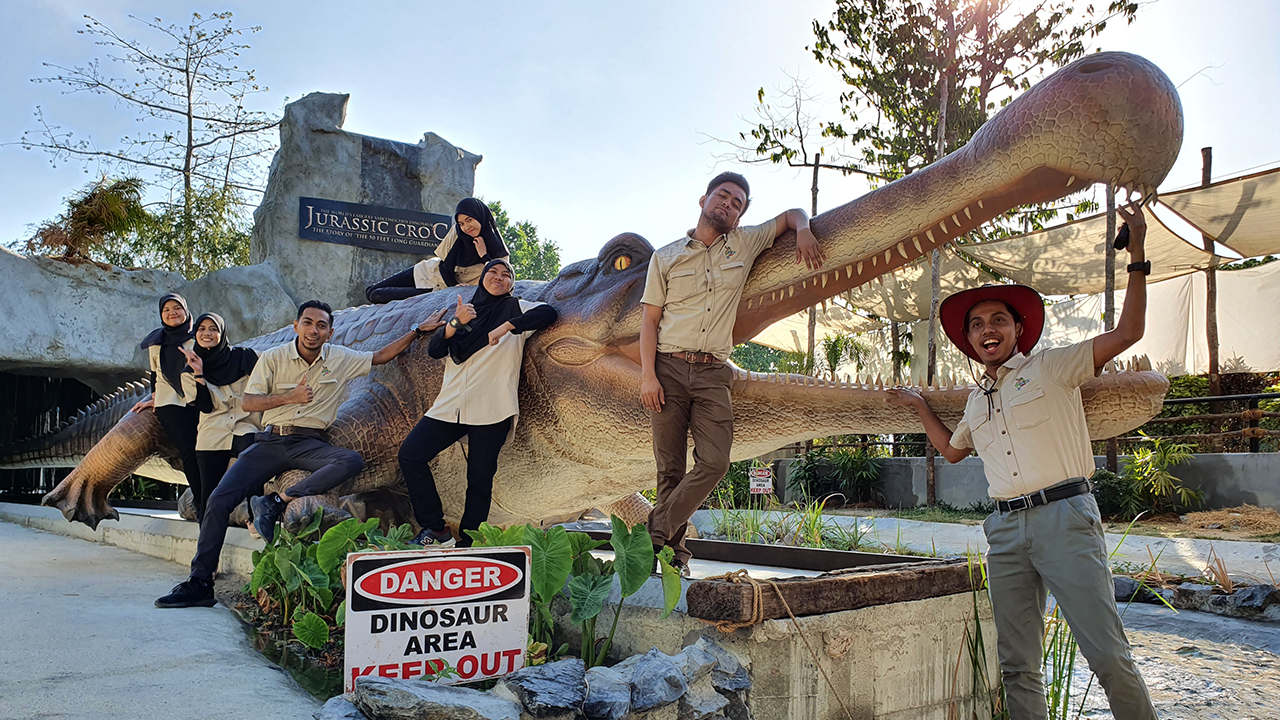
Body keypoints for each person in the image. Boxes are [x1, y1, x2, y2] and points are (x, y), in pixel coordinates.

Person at [885, 202, 1157, 720]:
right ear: (969, 340)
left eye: (998, 320)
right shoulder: (976, 399)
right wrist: (920, 407)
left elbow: (1128, 333)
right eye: (977, 325)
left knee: (1107, 655)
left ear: (1017, 329)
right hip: (1005, 530)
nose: (988, 329)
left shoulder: (1053, 367)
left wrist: (1137, 251)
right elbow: (953, 451)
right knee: (1017, 665)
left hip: (1065, 518)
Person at [155, 299, 447, 608]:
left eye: (321, 325)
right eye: (307, 323)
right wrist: (289, 397)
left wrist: (417, 330)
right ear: (297, 326)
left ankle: (277, 501)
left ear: (329, 332)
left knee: (350, 460)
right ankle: (200, 582)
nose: (313, 330)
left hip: (310, 442)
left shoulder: (339, 357)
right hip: (270, 442)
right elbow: (250, 402)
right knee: (217, 500)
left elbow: (381, 356)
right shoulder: (273, 357)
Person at [639, 172, 826, 575]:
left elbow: (792, 214)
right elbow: (649, 321)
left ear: (740, 216)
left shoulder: (746, 241)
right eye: (723, 196)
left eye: (737, 203)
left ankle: (652, 534)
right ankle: (673, 558)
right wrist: (648, 376)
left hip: (713, 373)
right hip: (668, 368)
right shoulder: (665, 256)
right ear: (704, 199)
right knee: (669, 469)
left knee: (715, 462)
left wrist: (804, 230)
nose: (728, 204)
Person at [398, 258, 557, 547]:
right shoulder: (465, 312)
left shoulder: (517, 308)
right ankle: (436, 529)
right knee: (411, 454)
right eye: (492, 272)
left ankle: (468, 543)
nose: (498, 277)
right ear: (482, 277)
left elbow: (548, 312)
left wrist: (506, 326)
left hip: (492, 407)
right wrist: (456, 322)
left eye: (506, 274)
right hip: (451, 404)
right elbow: (436, 350)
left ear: (511, 283)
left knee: (479, 479)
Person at [178, 313, 261, 523]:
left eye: (213, 329)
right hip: (213, 432)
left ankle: (256, 520)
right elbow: (205, 407)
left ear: (222, 333)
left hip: (245, 425)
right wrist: (199, 373)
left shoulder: (245, 357)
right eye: (202, 329)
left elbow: (270, 376)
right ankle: (206, 538)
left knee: (254, 460)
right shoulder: (188, 373)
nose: (207, 333)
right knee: (209, 496)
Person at [131, 293, 203, 517]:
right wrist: (154, 397)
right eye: (166, 310)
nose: (172, 313)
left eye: (177, 308)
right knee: (189, 451)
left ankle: (212, 497)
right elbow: (156, 374)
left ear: (186, 310)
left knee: (207, 450)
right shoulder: (155, 341)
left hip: (198, 400)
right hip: (169, 404)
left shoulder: (198, 336)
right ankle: (202, 502)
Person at [364, 197, 510, 303]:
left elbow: (494, 281)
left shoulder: (501, 255)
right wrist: (454, 286)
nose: (466, 227)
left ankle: (428, 293)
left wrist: (484, 256)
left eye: (469, 220)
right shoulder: (457, 232)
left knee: (377, 295)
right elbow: (445, 266)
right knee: (370, 291)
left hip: (439, 289)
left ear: (480, 216)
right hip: (428, 272)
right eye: (461, 223)